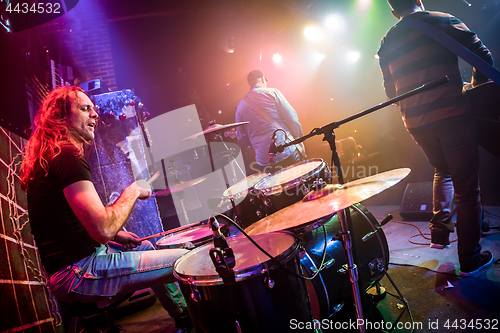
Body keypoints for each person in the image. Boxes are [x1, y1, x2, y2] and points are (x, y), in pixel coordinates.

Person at [20, 85, 192, 332]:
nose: (94, 115)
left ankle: (183, 317)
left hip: (71, 268)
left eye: (93, 109)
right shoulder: (67, 155)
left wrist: (119, 235)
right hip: (77, 273)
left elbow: (65, 219)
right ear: (62, 117)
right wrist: (133, 190)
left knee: (144, 245)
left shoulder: (52, 154)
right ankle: (199, 320)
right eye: (84, 108)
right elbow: (103, 229)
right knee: (185, 260)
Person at [377, 0, 494, 276]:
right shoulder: (441, 20)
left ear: (394, 11)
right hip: (452, 116)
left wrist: (418, 107)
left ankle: (439, 235)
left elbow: (390, 92)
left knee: (443, 170)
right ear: (418, 0)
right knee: (468, 190)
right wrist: (474, 91)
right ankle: (469, 258)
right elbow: (483, 57)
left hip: (415, 123)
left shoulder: (387, 41)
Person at [235, 69, 306, 174]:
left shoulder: (240, 106)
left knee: (277, 189)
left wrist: (256, 145)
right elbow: (291, 117)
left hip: (264, 159)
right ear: (263, 79)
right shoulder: (273, 92)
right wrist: (298, 137)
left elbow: (241, 136)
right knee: (299, 183)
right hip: (285, 150)